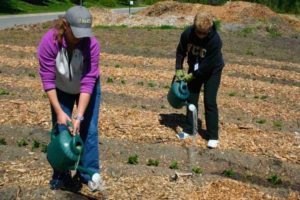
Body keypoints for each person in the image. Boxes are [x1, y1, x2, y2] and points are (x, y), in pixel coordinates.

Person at [37, 5, 104, 192]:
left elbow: (89, 80)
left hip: (86, 88)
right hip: (61, 88)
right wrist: (59, 111)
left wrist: (80, 116)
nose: (81, 37)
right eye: (76, 32)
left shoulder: (91, 44)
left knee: (89, 129)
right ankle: (61, 174)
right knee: (62, 129)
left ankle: (89, 174)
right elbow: (47, 79)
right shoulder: (49, 42)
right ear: (65, 25)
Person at [175, 12, 225, 148]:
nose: (200, 35)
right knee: (191, 99)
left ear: (209, 29)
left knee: (209, 101)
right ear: (194, 27)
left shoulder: (215, 41)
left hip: (212, 71)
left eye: (204, 33)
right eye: (198, 32)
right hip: (195, 68)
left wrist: (192, 76)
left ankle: (213, 135)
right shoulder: (187, 34)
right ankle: (189, 129)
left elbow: (207, 66)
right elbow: (180, 51)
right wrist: (178, 68)